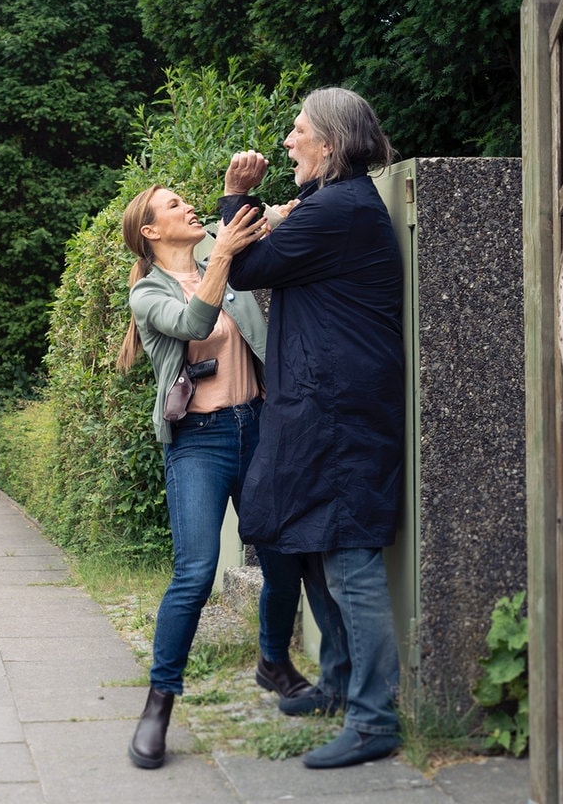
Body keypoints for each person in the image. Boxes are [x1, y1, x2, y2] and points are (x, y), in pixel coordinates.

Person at [117, 184, 340, 770]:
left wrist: (258, 203)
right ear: (150, 231)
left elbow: (264, 219)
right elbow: (194, 323)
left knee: (285, 554)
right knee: (194, 571)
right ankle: (158, 704)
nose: (187, 207)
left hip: (261, 425)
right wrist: (220, 257)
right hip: (200, 441)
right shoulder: (146, 294)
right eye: (172, 205)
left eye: (188, 200)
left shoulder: (225, 254)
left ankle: (273, 662)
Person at [218, 87, 405, 770]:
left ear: (329, 142)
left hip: (341, 413)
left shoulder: (335, 210)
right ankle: (339, 682)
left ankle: (374, 717)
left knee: (350, 558)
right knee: (316, 546)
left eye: (299, 131)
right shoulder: (337, 208)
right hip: (325, 406)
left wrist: (237, 196)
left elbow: (240, 267)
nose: (289, 142)